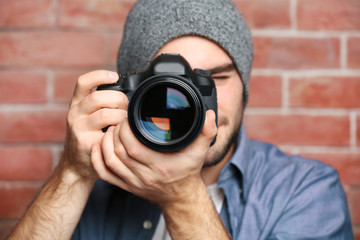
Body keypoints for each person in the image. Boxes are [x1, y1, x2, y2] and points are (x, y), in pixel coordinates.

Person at [8, 0, 353, 239]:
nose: (195, 106)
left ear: (244, 85)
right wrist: (72, 173)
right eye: (169, 87)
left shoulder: (305, 189)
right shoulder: (95, 189)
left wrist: (182, 195)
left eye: (214, 80)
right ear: (131, 93)